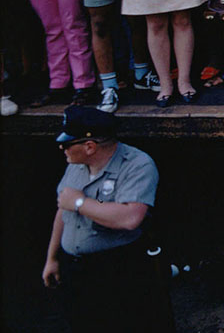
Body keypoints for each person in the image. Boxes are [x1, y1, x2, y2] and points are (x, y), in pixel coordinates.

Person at [42, 106, 170, 333]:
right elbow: (63, 210)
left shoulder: (137, 165)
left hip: (117, 268)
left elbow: (130, 216)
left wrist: (82, 204)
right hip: (76, 268)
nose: (62, 149)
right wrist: (52, 257)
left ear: (89, 146)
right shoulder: (76, 165)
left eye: (67, 144)